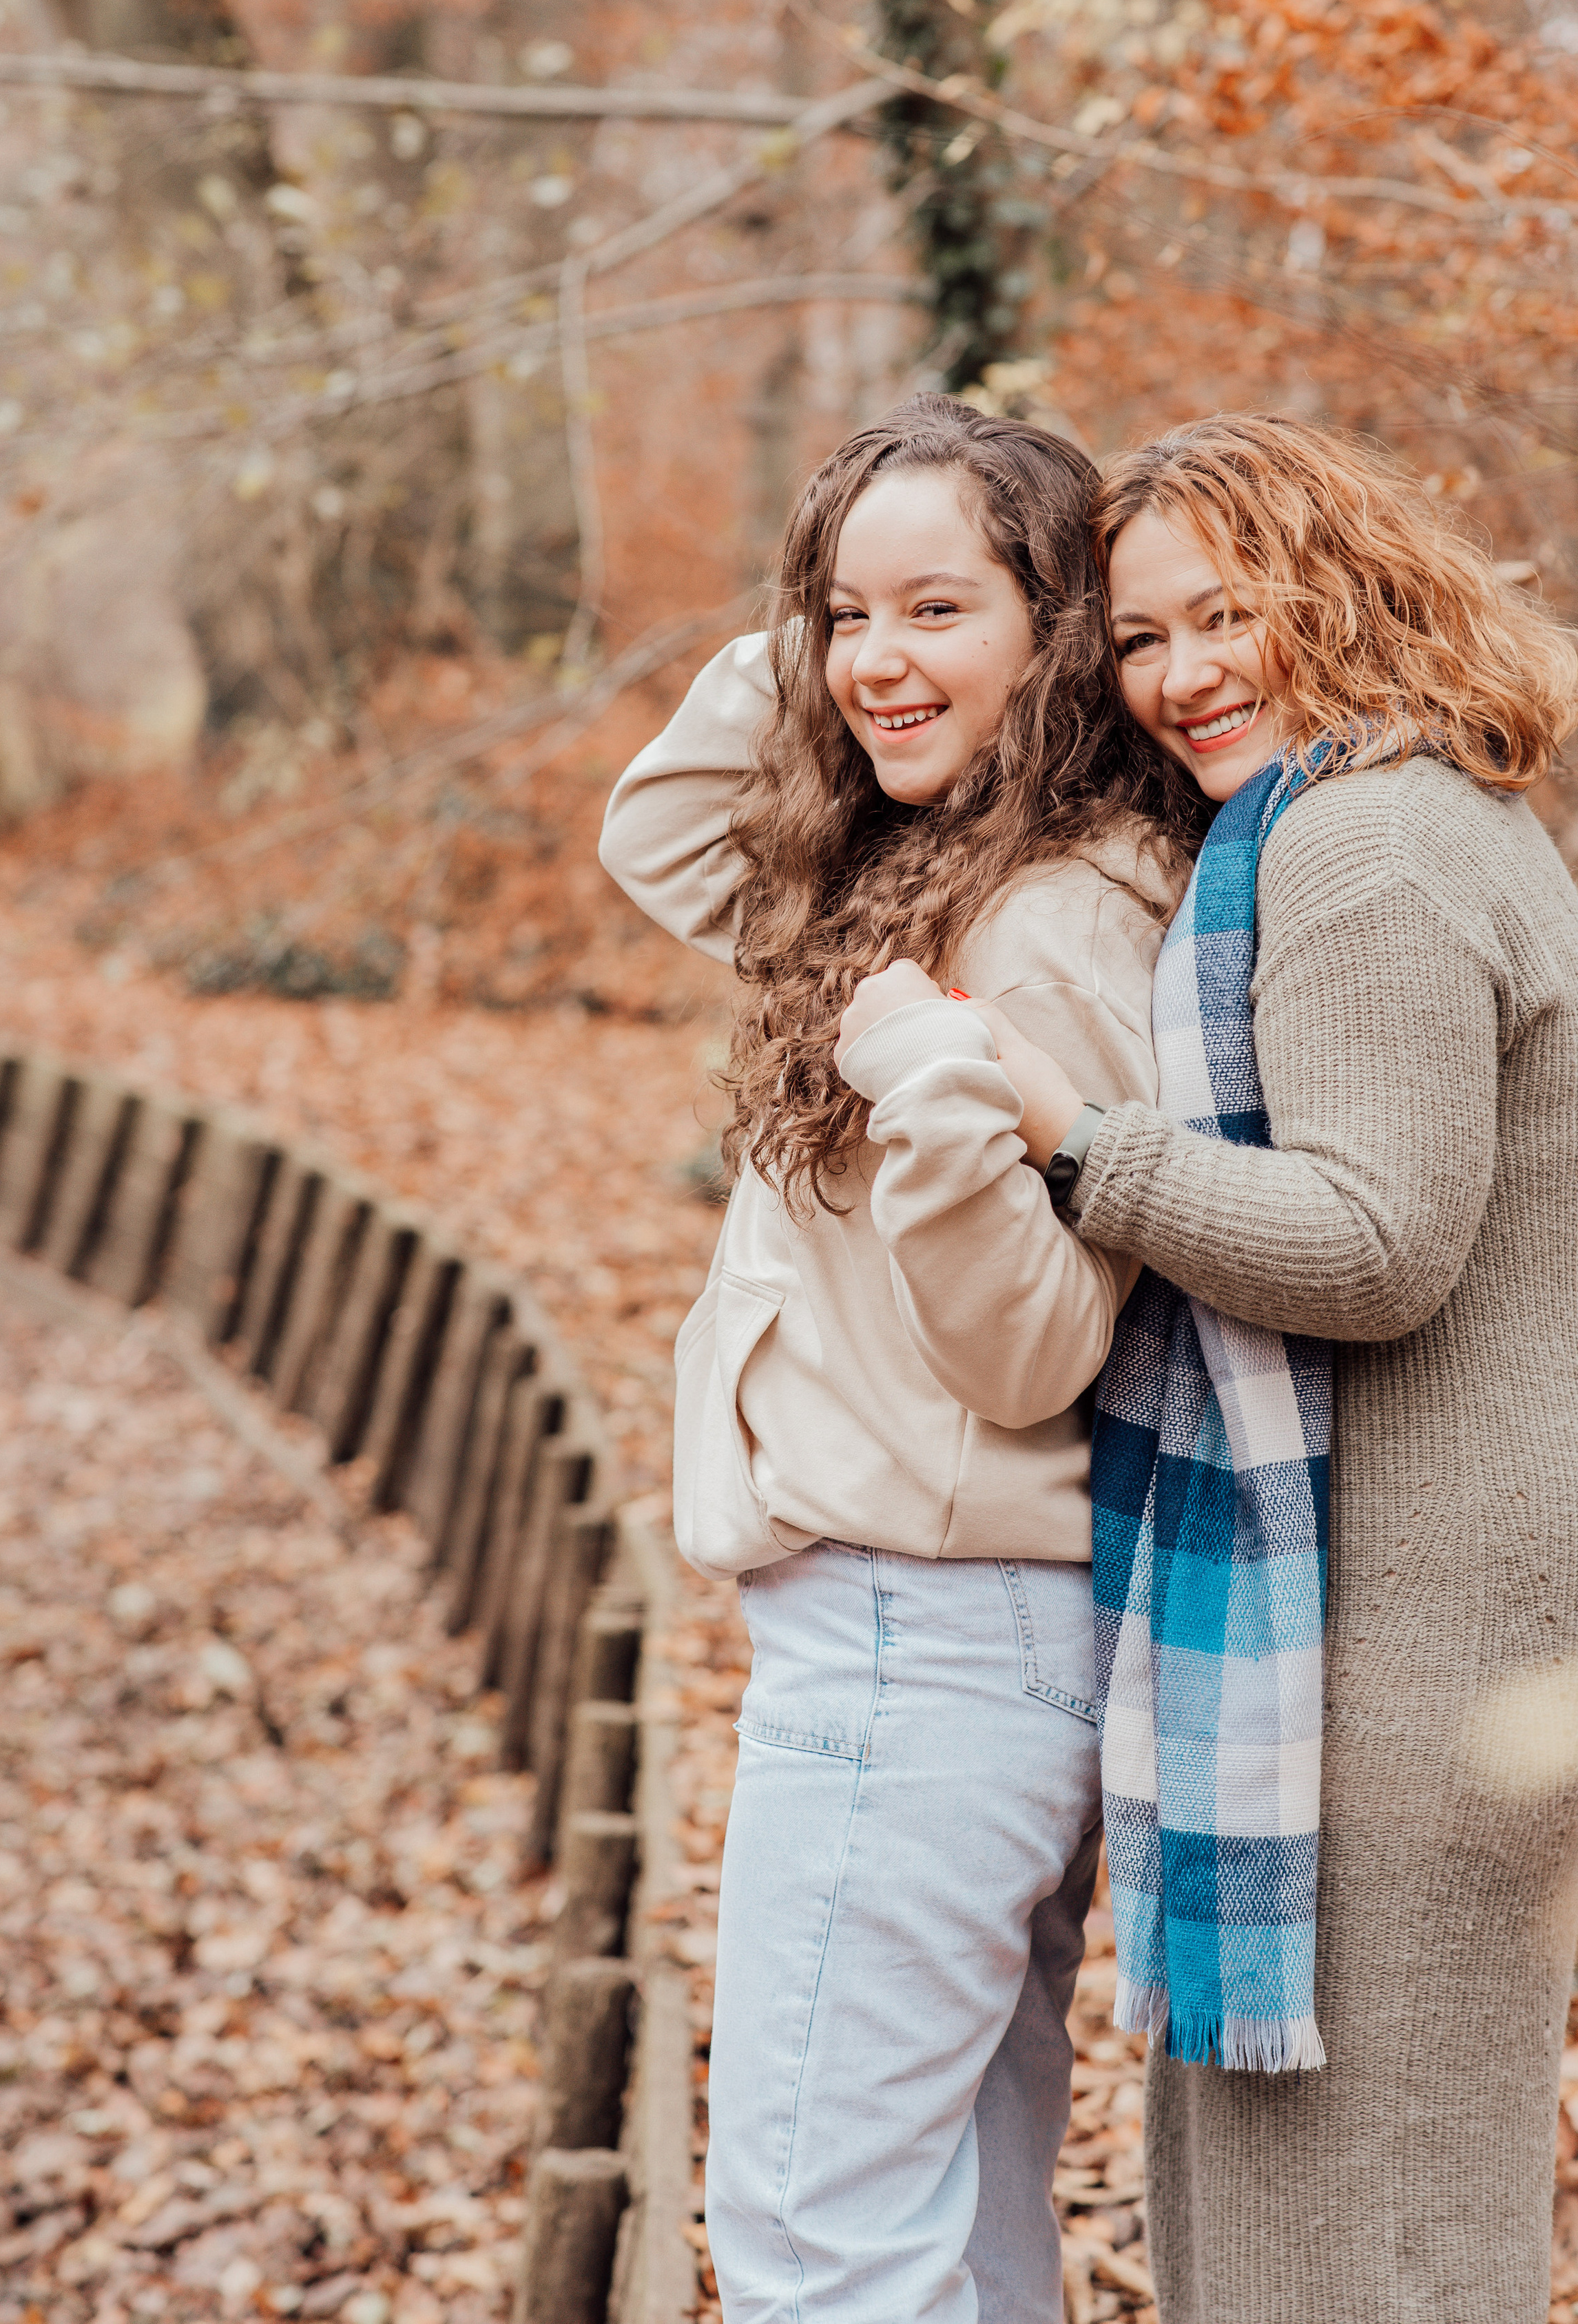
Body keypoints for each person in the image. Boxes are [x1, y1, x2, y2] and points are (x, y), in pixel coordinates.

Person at [836, 412, 1578, 2324]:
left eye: (1235, 611)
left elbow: (1378, 1245)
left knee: (1325, 2234)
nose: (1187, 672)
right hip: (1472, 1598)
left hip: (1438, 1624)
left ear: (1350, 585)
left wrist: (1066, 1126)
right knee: (1395, 2198)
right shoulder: (1414, 807)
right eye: (1139, 636)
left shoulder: (1363, 845)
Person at [598, 393, 1204, 2321]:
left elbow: (1034, 1348)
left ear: (1063, 630)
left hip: (923, 1641)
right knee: (950, 2219)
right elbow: (661, 829)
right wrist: (867, 610)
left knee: (812, 2237)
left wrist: (942, 1104)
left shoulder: (1045, 923)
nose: (872, 662)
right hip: (952, 1635)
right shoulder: (912, 864)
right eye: (848, 617)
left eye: (944, 609)